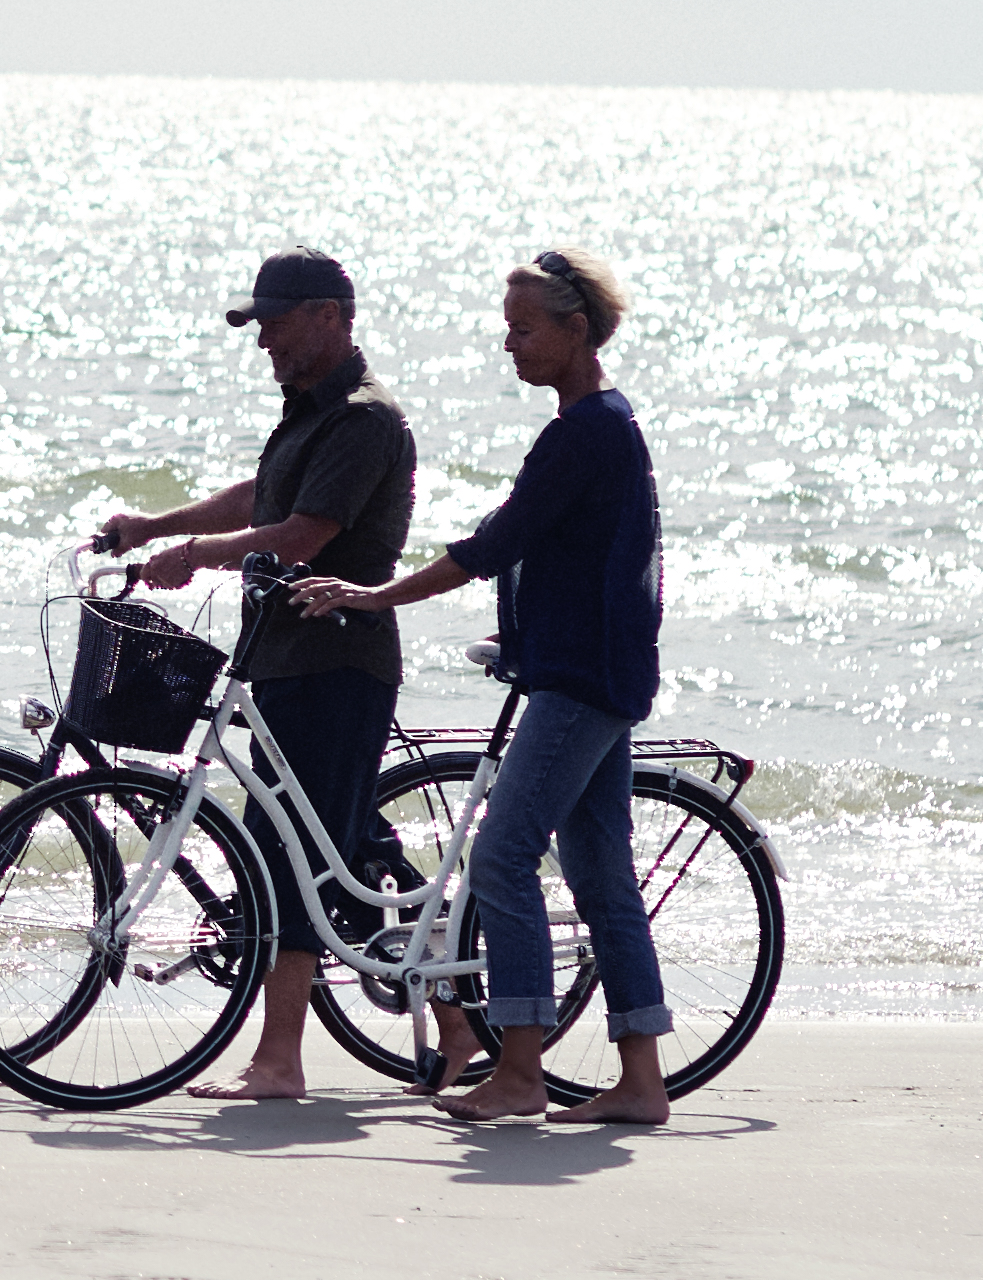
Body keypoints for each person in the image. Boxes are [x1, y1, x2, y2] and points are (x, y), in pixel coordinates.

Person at [283, 245, 666, 1126]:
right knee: (602, 876)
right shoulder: (605, 424)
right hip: (598, 675)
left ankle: (521, 1068)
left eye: (524, 330)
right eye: (506, 329)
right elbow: (582, 559)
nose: (509, 345)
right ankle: (641, 1081)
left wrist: (373, 594)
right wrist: (525, 633)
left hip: (580, 684)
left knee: (501, 855)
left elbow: (495, 544)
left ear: (576, 330)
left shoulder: (588, 432)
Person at [85, 249, 424, 1102]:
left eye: (275, 322)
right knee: (343, 843)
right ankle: (456, 1023)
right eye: (257, 323)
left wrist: (195, 555)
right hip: (284, 660)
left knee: (286, 857)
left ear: (329, 316)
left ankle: (279, 1062)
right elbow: (261, 498)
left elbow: (302, 535)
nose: (263, 338)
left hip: (335, 661)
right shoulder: (310, 413)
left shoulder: (364, 418)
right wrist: (153, 527)